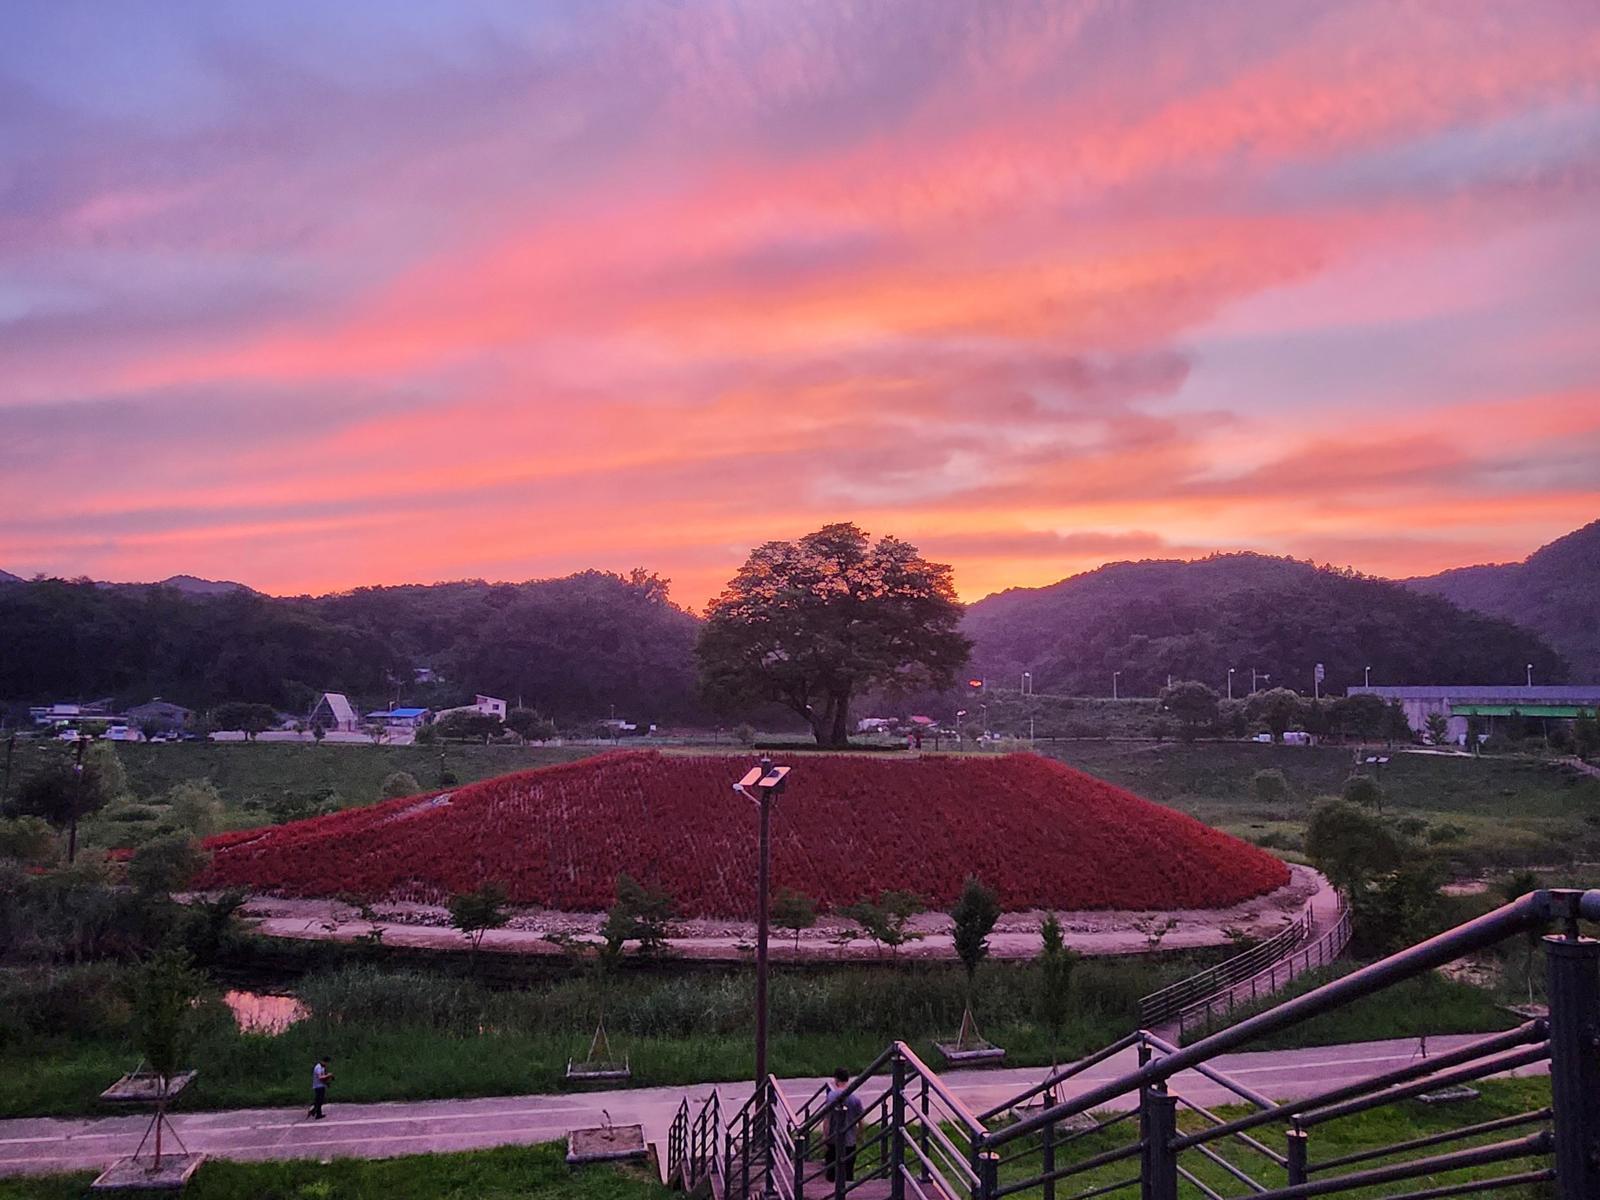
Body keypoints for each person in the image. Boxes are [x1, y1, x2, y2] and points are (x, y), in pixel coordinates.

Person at [824, 1067, 863, 1183]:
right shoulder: (855, 1098)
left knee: (831, 1171)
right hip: (850, 1140)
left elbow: (827, 1119)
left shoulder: (831, 1096)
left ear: (836, 1079)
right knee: (848, 1171)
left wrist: (825, 1137)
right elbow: (860, 1120)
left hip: (833, 1139)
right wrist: (860, 1136)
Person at [309, 1055, 334, 1119]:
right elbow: (320, 1077)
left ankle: (316, 1112)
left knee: (320, 1100)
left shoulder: (322, 1067)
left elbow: (323, 1077)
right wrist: (328, 1075)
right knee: (319, 1100)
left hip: (321, 1085)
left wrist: (327, 1082)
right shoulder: (318, 1067)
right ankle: (315, 1112)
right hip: (318, 1086)